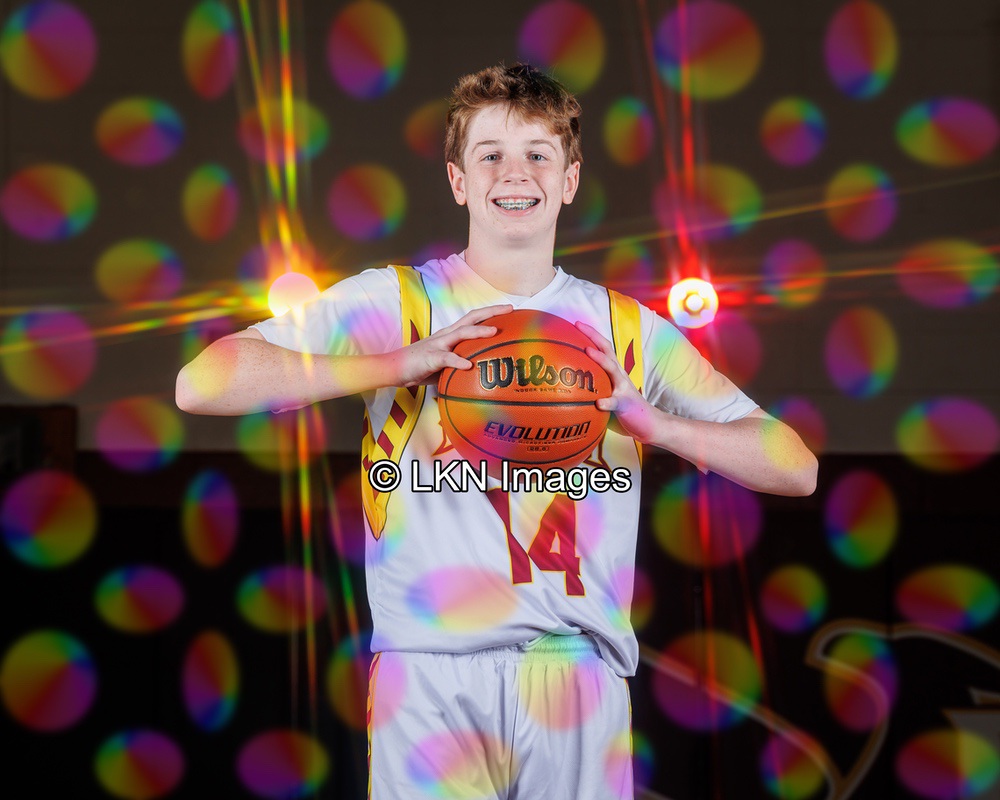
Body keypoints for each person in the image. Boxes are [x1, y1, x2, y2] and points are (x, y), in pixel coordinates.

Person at [176, 63, 817, 800]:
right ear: (458, 180)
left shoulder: (626, 330)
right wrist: (399, 362)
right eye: (491, 155)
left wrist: (657, 423)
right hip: (429, 668)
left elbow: (795, 467)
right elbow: (203, 382)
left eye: (539, 154)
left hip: (577, 671)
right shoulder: (401, 302)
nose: (516, 173)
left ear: (570, 180)